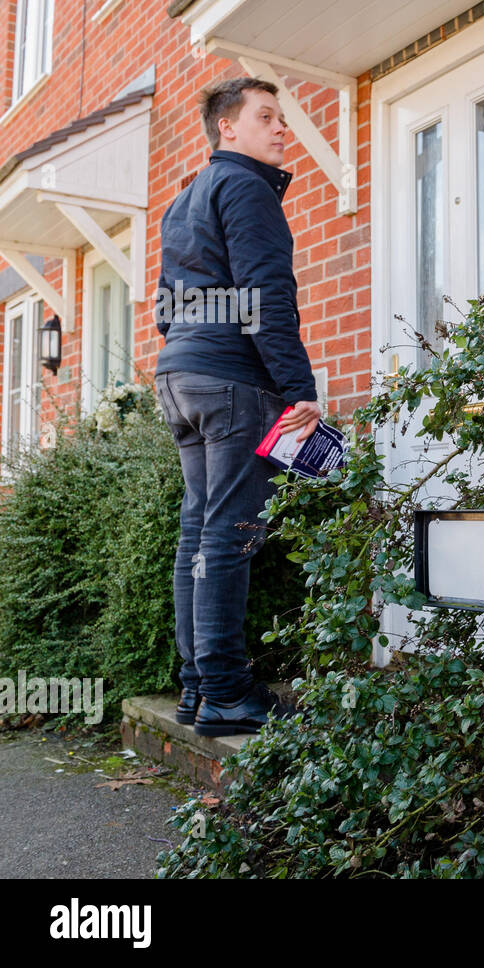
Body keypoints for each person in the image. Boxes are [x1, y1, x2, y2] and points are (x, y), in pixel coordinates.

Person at [153, 77, 321, 737]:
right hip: (230, 384)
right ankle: (225, 692)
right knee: (228, 533)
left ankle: (199, 690)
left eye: (282, 118)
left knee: (198, 530)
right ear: (229, 127)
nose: (283, 129)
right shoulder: (247, 188)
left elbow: (169, 308)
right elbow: (266, 294)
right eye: (268, 116)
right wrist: (299, 388)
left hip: (183, 379)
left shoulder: (183, 200)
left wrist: (193, 356)